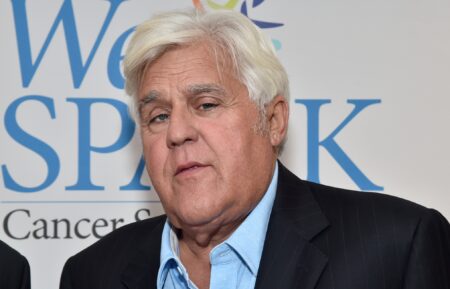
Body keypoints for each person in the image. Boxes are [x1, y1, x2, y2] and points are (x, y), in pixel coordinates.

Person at [59, 8, 450, 289]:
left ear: (273, 120)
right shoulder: (91, 274)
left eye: (206, 105)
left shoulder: (397, 247)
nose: (177, 132)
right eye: (158, 116)